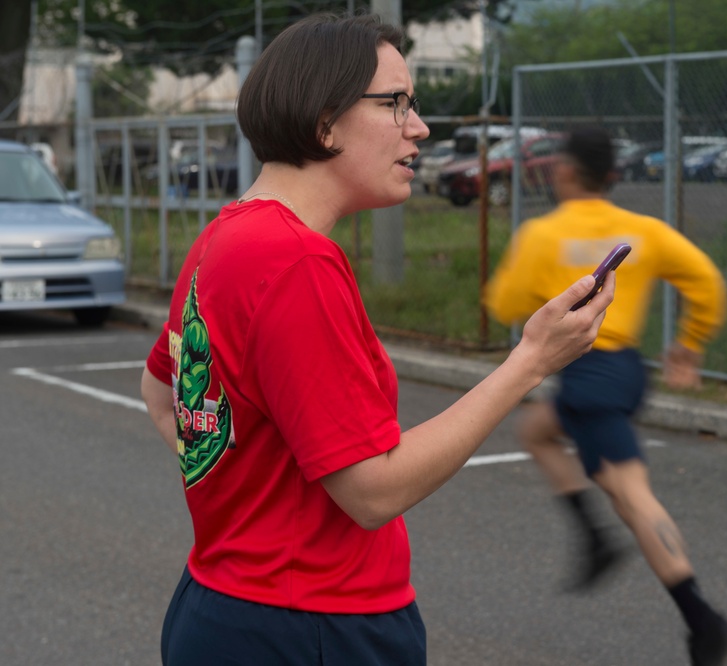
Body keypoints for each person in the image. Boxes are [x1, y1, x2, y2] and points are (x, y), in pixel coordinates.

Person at [139, 13, 614, 666]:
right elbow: (373, 492)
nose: (418, 128)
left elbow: (163, 395)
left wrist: (247, 507)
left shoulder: (226, 235)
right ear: (324, 120)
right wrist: (531, 361)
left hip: (222, 605)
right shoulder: (295, 260)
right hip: (312, 627)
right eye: (395, 104)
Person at [483, 127, 727, 666]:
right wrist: (688, 348)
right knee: (535, 431)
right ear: (612, 177)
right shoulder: (642, 231)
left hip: (589, 375)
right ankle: (593, 538)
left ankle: (703, 621)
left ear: (567, 173)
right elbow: (707, 284)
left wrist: (542, 293)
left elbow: (503, 301)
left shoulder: (543, 233)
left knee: (632, 495)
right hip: (625, 370)